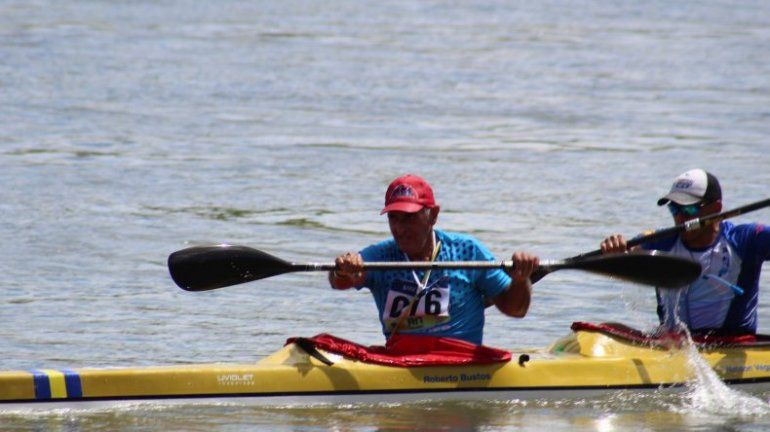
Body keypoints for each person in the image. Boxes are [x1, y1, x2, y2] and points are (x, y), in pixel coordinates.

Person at [330, 174, 539, 345]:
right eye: (394, 218)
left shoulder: (467, 251)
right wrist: (343, 269)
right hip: (401, 364)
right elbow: (338, 282)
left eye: (409, 218)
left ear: (433, 215)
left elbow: (516, 310)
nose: (400, 229)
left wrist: (521, 279)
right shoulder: (381, 255)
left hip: (463, 365)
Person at [600, 169, 770, 335]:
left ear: (716, 208)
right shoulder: (660, 241)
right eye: (674, 209)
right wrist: (615, 253)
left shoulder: (746, 240)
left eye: (689, 210)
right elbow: (626, 257)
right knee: (604, 329)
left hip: (730, 342)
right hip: (673, 343)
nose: (680, 218)